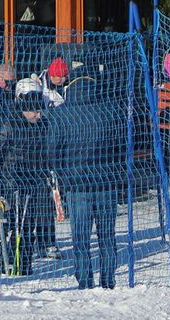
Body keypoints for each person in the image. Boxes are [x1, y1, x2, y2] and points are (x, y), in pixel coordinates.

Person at [49, 65, 120, 289]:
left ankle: (85, 280)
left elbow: (53, 152)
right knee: (107, 237)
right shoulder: (111, 111)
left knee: (80, 238)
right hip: (106, 182)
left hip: (77, 185)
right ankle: (108, 280)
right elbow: (121, 146)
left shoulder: (60, 114)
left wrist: (64, 178)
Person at [0, 89, 51, 274]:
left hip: (31, 181)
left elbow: (44, 154)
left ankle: (24, 264)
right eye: (35, 112)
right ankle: (5, 263)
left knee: (27, 225)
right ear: (25, 110)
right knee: (11, 226)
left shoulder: (42, 125)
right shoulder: (9, 125)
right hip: (10, 183)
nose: (38, 116)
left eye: (40, 112)